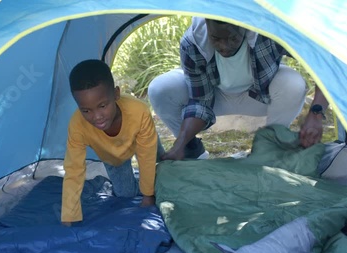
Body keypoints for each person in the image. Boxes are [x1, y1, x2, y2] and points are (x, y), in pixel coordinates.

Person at [148, 17, 329, 160]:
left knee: (293, 84)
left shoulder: (268, 30)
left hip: (258, 96)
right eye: (216, 39)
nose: (224, 47)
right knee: (160, 88)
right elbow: (201, 102)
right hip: (214, 97)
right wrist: (179, 144)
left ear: (245, 26)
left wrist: (316, 113)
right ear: (207, 26)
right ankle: (190, 150)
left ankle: (271, 148)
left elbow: (323, 62)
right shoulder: (193, 42)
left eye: (233, 38)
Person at [61, 59, 163, 226]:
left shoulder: (139, 111)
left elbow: (146, 157)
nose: (96, 116)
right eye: (86, 110)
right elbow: (74, 169)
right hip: (114, 158)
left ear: (116, 94)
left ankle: (158, 152)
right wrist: (69, 215)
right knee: (126, 195)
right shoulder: (77, 125)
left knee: (158, 158)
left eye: (102, 106)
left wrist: (148, 195)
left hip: (141, 139)